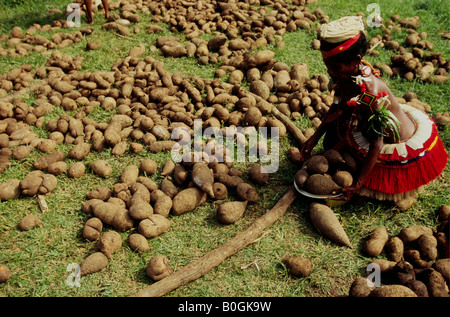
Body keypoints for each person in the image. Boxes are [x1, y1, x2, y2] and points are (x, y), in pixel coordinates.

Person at [299, 16, 448, 208]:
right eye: (327, 66)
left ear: (357, 61)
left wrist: (356, 185)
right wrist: (313, 139)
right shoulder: (346, 77)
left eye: (335, 67)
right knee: (333, 139)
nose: (331, 72)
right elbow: (336, 106)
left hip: (390, 139)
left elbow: (377, 144)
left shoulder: (370, 93)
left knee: (363, 190)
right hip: (366, 125)